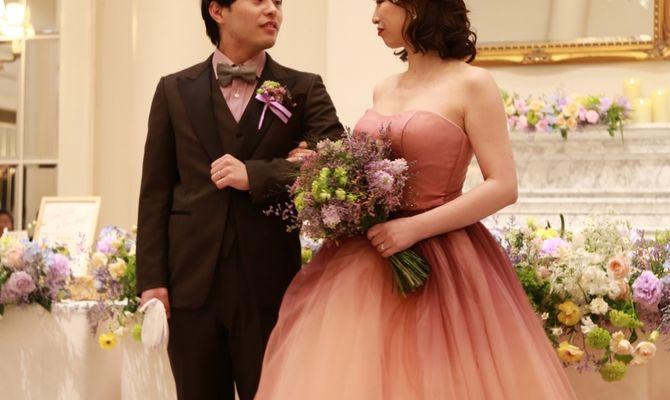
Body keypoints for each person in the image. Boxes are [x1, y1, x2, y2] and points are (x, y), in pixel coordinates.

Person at [255, 0, 577, 398]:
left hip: (444, 259)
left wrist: (413, 228)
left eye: (383, 3)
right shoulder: (385, 86)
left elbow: (503, 185)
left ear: (419, 6)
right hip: (363, 256)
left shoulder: (473, 84)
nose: (374, 17)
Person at [135, 1, 342, 399]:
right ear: (218, 10)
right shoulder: (174, 90)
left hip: (269, 281)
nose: (273, 11)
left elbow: (336, 166)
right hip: (190, 283)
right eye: (260, 0)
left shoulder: (303, 88)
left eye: (278, 3)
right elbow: (155, 191)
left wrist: (258, 175)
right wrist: (152, 280)